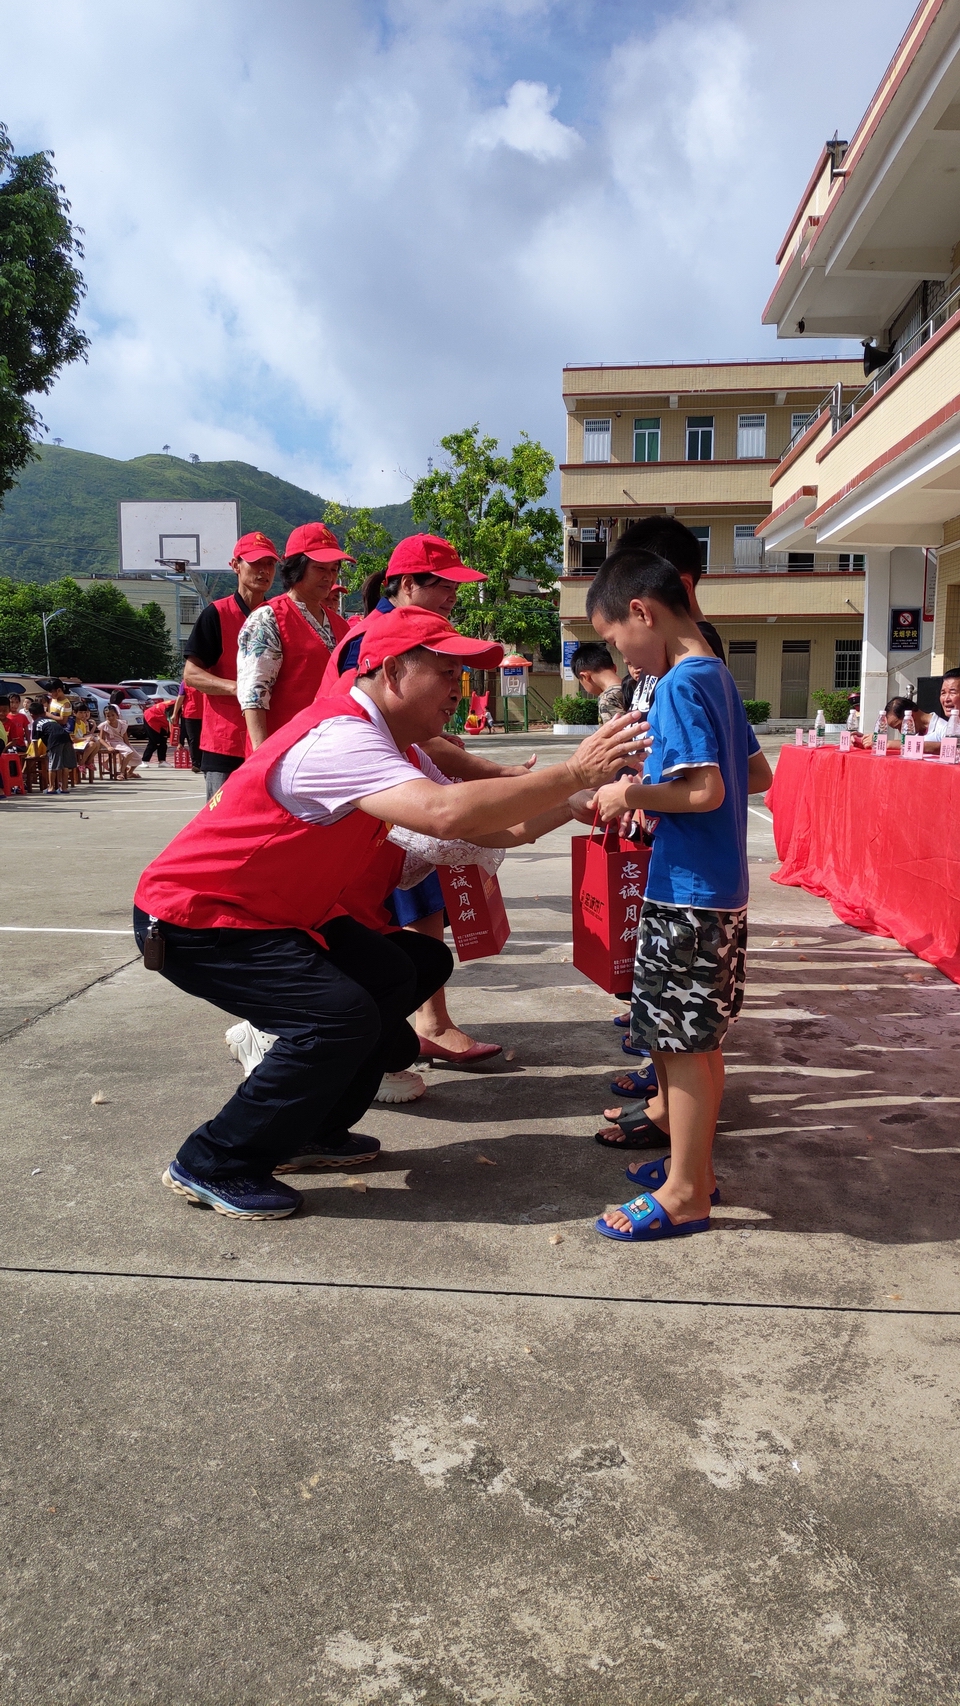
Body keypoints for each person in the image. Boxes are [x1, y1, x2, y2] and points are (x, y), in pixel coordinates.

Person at [133, 607, 639, 1220]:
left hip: (278, 916)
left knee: (409, 966)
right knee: (338, 1019)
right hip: (200, 919)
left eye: (465, 675)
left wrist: (572, 801)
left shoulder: (392, 744)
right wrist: (573, 771)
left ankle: (310, 1132)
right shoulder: (341, 736)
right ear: (393, 671)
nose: (461, 689)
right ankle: (213, 1159)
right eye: (447, 672)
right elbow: (446, 815)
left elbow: (480, 831)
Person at [582, 547, 771, 1244]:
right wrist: (663, 796)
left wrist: (630, 791)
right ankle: (694, 1168)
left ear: (643, 612)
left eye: (613, 640)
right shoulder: (717, 675)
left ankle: (687, 1191)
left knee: (685, 1045)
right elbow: (754, 775)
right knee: (692, 1039)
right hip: (713, 889)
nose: (623, 658)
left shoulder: (681, 684)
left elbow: (708, 789)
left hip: (688, 895)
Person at [322, 533, 538, 1064]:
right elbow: (431, 777)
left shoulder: (393, 635)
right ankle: (410, 1029)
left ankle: (404, 1030)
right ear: (405, 583)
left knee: (411, 912)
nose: (453, 596)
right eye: (442, 584)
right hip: (376, 800)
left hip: (389, 793)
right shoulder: (373, 641)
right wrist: (513, 777)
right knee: (398, 912)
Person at [237, 522, 353, 750]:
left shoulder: (340, 625)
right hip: (283, 751)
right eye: (320, 568)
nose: (329, 577)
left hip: (330, 749)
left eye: (334, 569)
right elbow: (254, 695)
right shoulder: (268, 618)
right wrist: (262, 757)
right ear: (297, 567)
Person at [182, 531, 278, 800]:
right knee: (221, 826)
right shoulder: (217, 614)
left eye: (270, 564)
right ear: (235, 565)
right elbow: (191, 674)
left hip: (269, 738)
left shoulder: (277, 616)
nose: (264, 571)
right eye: (255, 563)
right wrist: (239, 688)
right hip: (225, 742)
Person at [615, 517, 726, 661]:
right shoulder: (669, 645)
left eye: (639, 602)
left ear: (681, 589)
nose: (637, 613)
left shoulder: (697, 652)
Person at [570, 642, 625, 722]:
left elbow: (617, 732)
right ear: (615, 668)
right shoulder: (636, 688)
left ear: (585, 676)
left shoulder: (607, 699)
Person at [34, 704, 80, 793]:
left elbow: (34, 741)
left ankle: (51, 788)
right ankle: (64, 788)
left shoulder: (36, 723)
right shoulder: (51, 720)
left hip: (55, 740)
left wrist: (36, 755)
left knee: (53, 765)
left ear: (32, 715)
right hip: (66, 737)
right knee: (64, 764)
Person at [98, 703, 141, 778]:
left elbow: (125, 737)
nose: (111, 718)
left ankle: (129, 772)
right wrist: (108, 747)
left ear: (117, 715)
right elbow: (101, 738)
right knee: (128, 752)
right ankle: (121, 772)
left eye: (113, 715)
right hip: (112, 743)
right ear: (105, 717)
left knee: (137, 758)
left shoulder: (122, 724)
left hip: (122, 743)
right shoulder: (104, 725)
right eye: (108, 716)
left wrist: (129, 745)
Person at [141, 697, 177, 766]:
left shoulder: (176, 704)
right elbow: (171, 721)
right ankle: (144, 760)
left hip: (161, 721)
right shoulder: (173, 706)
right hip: (151, 718)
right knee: (154, 742)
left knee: (163, 741)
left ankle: (162, 761)